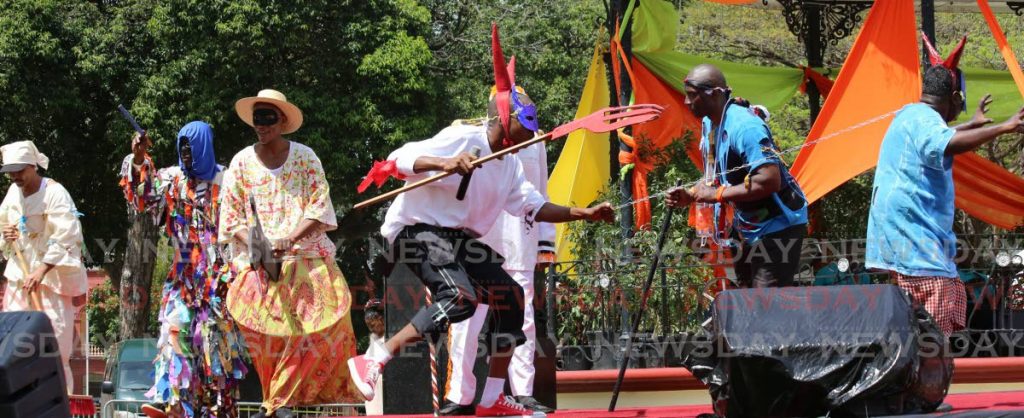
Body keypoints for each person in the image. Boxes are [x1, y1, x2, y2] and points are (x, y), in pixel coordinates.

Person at [348, 24, 614, 417]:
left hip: (456, 237)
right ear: (502, 117)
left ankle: (491, 398)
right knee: (459, 299)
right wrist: (445, 162)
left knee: (512, 296)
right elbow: (400, 158)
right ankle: (375, 357)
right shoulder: (462, 138)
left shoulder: (508, 164)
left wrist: (583, 213)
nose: (529, 134)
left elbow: (533, 205)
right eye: (523, 126)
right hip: (415, 229)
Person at [865, 35, 1024, 336]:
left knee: (935, 304)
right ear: (953, 97)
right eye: (959, 104)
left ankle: (918, 367)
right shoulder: (924, 119)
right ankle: (927, 373)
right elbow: (943, 142)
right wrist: (1003, 127)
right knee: (938, 311)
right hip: (915, 245)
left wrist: (973, 125)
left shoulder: (911, 115)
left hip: (903, 241)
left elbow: (939, 133)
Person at [219, 89, 361, 418]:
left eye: (269, 117)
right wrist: (260, 244)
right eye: (258, 117)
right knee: (266, 336)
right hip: (259, 266)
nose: (262, 124)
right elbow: (231, 217)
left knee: (322, 327)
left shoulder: (305, 157)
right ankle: (277, 398)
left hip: (307, 261)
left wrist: (288, 238)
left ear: (283, 120)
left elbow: (319, 206)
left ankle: (280, 402)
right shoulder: (241, 163)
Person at [118, 121, 248, 418]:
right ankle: (175, 404)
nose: (185, 154)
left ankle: (217, 410)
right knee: (173, 335)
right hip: (182, 280)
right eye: (182, 148)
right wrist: (139, 159)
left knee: (217, 354)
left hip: (219, 285)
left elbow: (246, 227)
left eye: (191, 147)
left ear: (204, 146)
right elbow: (141, 196)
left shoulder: (228, 181)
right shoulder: (173, 179)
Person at [439, 136, 556, 416]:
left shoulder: (535, 138)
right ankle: (459, 395)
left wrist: (544, 242)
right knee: (466, 319)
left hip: (520, 237)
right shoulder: (469, 134)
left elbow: (541, 189)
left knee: (523, 318)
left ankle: (522, 393)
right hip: (478, 239)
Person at [666, 64, 809, 288]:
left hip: (778, 224)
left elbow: (769, 180)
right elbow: (714, 176)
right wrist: (692, 194)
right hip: (746, 224)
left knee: (767, 301)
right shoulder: (708, 123)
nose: (686, 102)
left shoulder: (745, 127)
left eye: (692, 96)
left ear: (713, 94)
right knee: (746, 295)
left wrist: (717, 194)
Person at [0, 140, 87, 394]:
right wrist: (6, 233)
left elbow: (67, 235)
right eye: (11, 171)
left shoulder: (55, 192)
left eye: (20, 170)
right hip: (20, 277)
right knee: (14, 343)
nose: (15, 176)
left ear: (33, 166)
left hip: (52, 281)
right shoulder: (12, 194)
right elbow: (3, 224)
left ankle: (58, 401)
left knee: (55, 348)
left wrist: (42, 270)